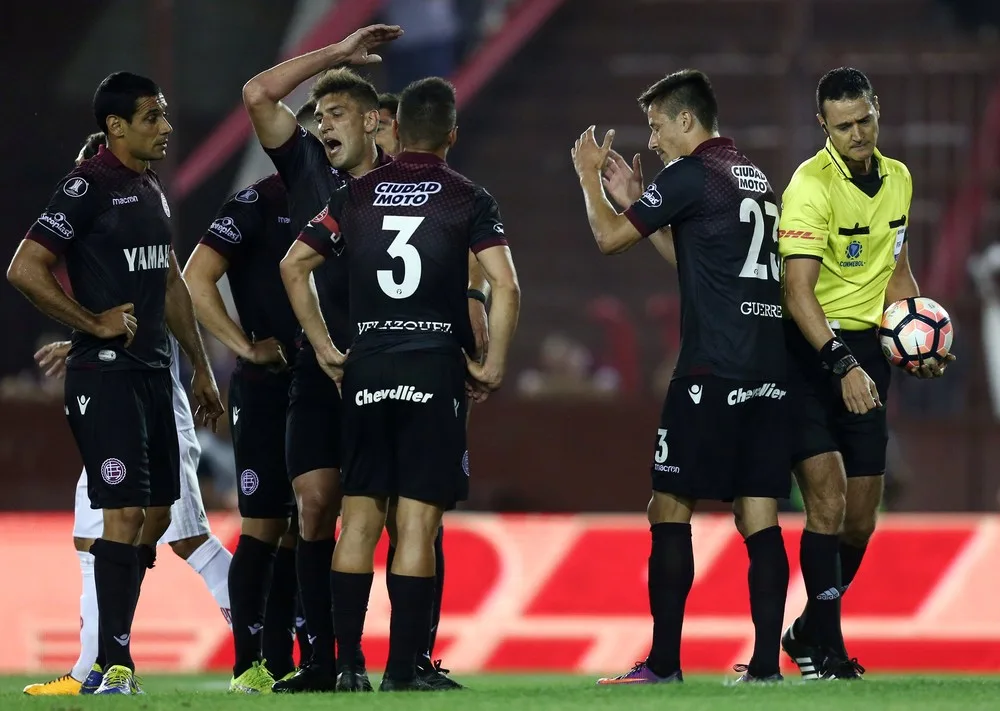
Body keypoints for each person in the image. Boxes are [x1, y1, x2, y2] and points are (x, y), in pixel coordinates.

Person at [283, 76, 519, 691]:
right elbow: (507, 285)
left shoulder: (356, 195)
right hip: (430, 367)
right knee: (415, 525)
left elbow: (294, 265)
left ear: (394, 128)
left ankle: (346, 666)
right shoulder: (467, 196)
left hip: (367, 368)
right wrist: (492, 367)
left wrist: (326, 348)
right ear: (451, 134)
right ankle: (403, 672)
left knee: (358, 522)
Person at [6, 72, 224, 695]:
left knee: (153, 516)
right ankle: (112, 666)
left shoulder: (149, 187)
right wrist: (90, 323)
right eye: (153, 117)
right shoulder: (86, 186)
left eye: (164, 115)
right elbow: (25, 267)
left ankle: (109, 663)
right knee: (124, 515)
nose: (166, 127)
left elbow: (170, 281)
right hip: (105, 376)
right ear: (116, 126)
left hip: (157, 372)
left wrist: (201, 368)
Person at [571, 69, 790, 684]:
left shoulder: (688, 174)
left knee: (668, 504)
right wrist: (644, 201)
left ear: (687, 120)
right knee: (759, 513)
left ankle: (664, 663)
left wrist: (592, 178)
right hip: (766, 370)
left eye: (658, 124)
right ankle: (768, 669)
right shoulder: (754, 179)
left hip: (710, 369)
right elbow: (700, 261)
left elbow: (609, 239)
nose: (655, 137)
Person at [777, 67, 953, 679]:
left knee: (861, 516)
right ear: (822, 124)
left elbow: (895, 273)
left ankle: (805, 630)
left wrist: (912, 339)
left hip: (870, 357)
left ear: (877, 110)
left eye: (865, 120)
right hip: (811, 355)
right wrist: (841, 363)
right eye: (843, 124)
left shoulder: (899, 178)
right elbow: (797, 293)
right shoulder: (809, 187)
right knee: (824, 502)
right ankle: (827, 651)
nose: (857, 133)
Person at [242, 25, 402, 692]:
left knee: (397, 514)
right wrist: (335, 54)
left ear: (371, 123)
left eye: (336, 113)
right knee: (312, 504)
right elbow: (256, 93)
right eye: (317, 115)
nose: (323, 124)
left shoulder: (405, 185)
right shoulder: (307, 166)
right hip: (317, 364)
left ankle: (396, 657)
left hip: (387, 367)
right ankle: (321, 656)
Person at [183, 168, 304, 691]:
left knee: (309, 524)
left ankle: (289, 661)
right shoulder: (255, 202)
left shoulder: (347, 196)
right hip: (265, 385)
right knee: (263, 525)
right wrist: (244, 345)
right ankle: (248, 664)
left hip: (325, 385)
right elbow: (195, 275)